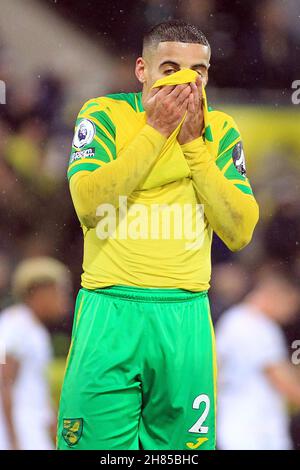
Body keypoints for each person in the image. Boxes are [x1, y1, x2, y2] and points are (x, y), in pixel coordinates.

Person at [57, 20, 259, 450]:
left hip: (185, 317)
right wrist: (157, 132)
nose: (186, 81)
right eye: (170, 68)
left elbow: (240, 231)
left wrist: (192, 148)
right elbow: (89, 206)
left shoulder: (219, 131)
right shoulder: (104, 114)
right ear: (141, 70)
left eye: (198, 71)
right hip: (110, 310)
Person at [216, 268, 300, 450]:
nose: (291, 315)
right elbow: (284, 383)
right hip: (254, 433)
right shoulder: (257, 326)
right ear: (278, 296)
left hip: (235, 428)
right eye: (292, 305)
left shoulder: (233, 319)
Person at [0, 257, 71, 450]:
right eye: (59, 291)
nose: (64, 300)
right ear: (39, 292)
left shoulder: (35, 330)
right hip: (19, 433)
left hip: (32, 431)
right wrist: (13, 441)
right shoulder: (14, 323)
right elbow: (3, 382)